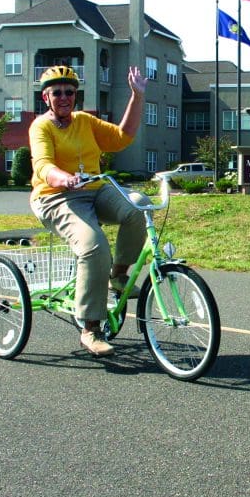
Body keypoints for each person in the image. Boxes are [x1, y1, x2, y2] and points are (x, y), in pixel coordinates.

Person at [29, 64, 148, 357]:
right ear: (46, 97)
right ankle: (90, 328)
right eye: (56, 93)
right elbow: (43, 165)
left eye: (69, 92)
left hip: (94, 189)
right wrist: (64, 179)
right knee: (94, 246)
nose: (64, 97)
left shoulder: (84, 121)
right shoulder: (40, 126)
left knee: (140, 205)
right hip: (56, 196)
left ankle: (118, 274)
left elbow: (122, 137)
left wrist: (137, 95)